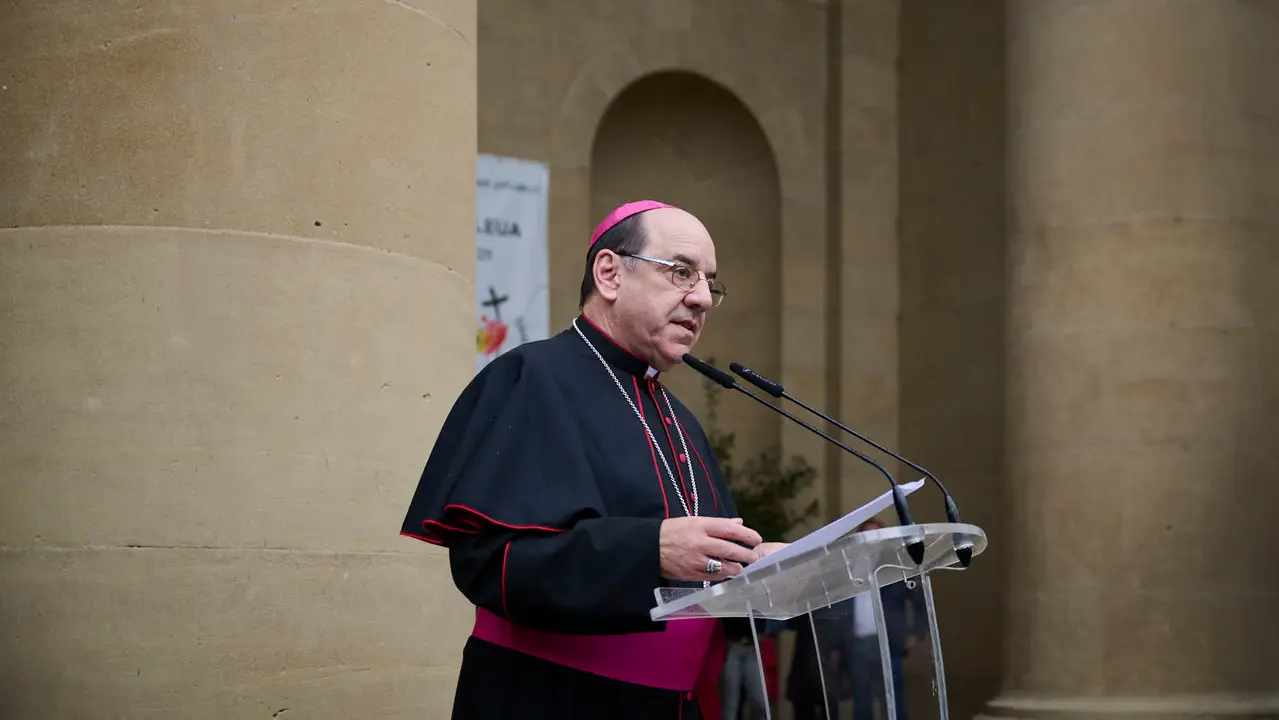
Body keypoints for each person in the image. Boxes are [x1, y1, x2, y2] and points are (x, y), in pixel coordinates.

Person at [401, 200, 787, 719]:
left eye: (709, 283)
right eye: (681, 272)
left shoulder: (681, 420)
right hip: (551, 699)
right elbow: (490, 565)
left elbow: (707, 580)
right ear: (609, 273)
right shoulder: (530, 378)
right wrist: (649, 552)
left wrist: (755, 571)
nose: (701, 298)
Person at [841, 518, 928, 720]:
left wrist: (916, 633)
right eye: (867, 536)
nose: (872, 541)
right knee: (861, 703)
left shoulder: (894, 566)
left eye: (876, 536)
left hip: (888, 643)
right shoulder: (850, 568)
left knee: (892, 701)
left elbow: (919, 599)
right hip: (858, 645)